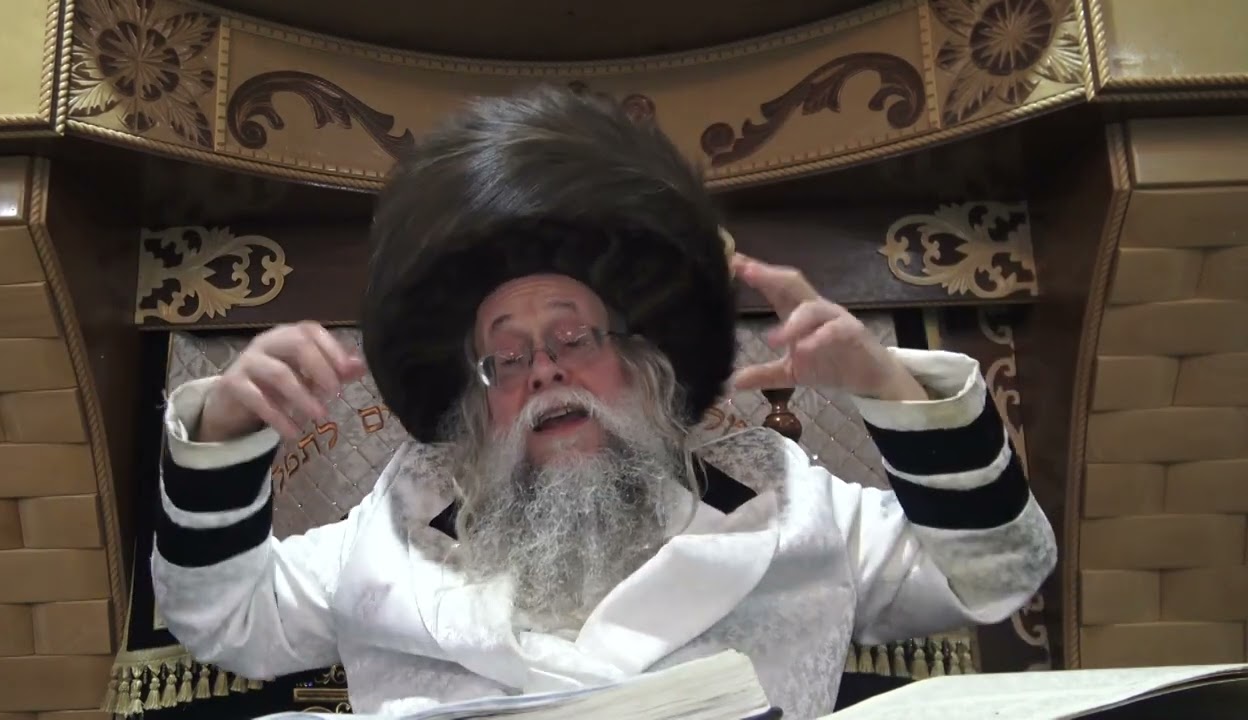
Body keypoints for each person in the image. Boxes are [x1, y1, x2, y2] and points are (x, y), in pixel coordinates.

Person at [152, 86, 1056, 719]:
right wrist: (228, 429)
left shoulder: (790, 504)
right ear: (478, 403)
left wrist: (886, 386)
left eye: (574, 336)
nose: (544, 371)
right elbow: (224, 620)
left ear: (642, 361)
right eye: (506, 356)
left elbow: (997, 572)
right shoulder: (392, 532)